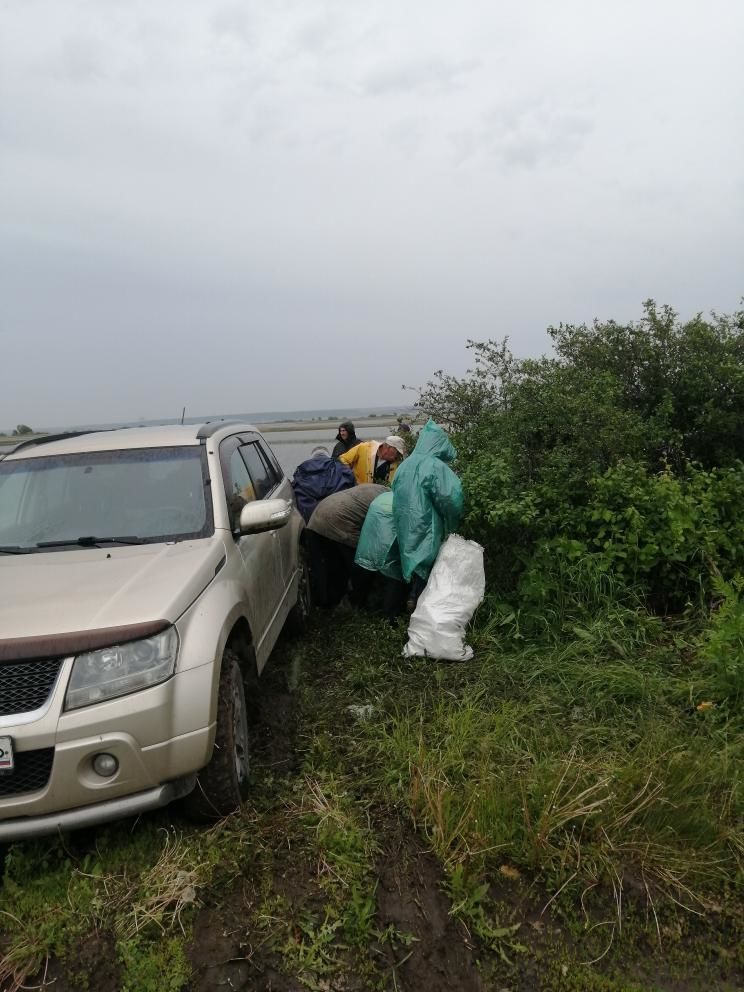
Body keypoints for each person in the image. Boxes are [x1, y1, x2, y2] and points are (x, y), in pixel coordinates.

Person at [392, 419, 463, 607]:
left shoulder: (405, 465)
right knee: (427, 562)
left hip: (404, 523)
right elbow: (451, 499)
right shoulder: (434, 466)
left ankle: (408, 602)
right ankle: (420, 607)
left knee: (412, 561)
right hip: (426, 523)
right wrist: (453, 523)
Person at [305, 484, 386, 608]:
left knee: (328, 566)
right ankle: (358, 602)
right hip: (339, 520)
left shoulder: (377, 488)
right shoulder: (388, 502)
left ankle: (326, 604)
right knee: (361, 564)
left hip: (317, 516)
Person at [353, 490, 409, 622]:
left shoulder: (383, 496)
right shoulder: (411, 503)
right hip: (389, 543)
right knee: (394, 575)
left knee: (368, 572)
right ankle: (389, 617)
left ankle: (360, 608)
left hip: (369, 544)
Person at [291, 448, 355, 523]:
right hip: (337, 515)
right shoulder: (339, 466)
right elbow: (351, 479)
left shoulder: (301, 470)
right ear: (328, 456)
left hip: (310, 518)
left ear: (312, 458)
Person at [339, 436, 406, 486]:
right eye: (397, 452)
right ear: (389, 447)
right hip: (356, 491)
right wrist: (351, 476)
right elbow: (343, 459)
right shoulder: (364, 447)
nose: (397, 456)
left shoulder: (395, 465)